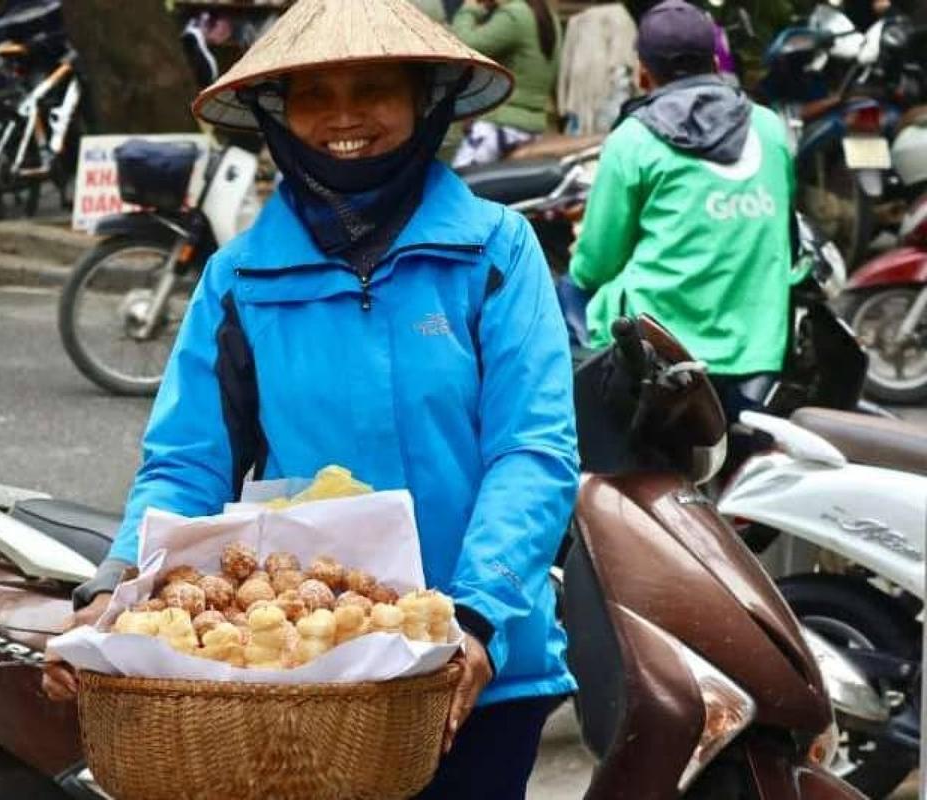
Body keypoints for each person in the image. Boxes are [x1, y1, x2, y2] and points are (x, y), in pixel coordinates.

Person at [43, 0, 579, 796]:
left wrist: (473, 618)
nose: (344, 117)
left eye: (373, 89)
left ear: (423, 99)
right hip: (305, 682)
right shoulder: (240, 280)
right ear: (278, 115)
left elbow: (532, 452)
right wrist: (114, 587)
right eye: (314, 95)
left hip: (484, 668)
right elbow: (189, 464)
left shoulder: (495, 251)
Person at [567, 0, 796, 420]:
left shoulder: (632, 140)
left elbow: (596, 264)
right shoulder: (769, 128)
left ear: (642, 72)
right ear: (714, 60)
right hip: (759, 346)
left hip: (660, 349)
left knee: (567, 293)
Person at [450, 0, 562, 168]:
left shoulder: (514, 15)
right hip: (530, 126)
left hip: (499, 124)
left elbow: (463, 45)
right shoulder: (549, 17)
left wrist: (469, 9)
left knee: (460, 186)